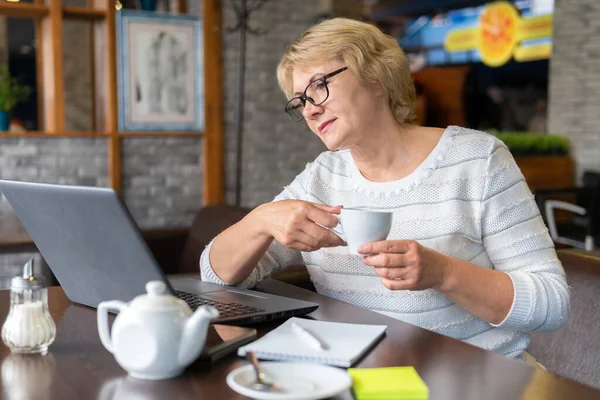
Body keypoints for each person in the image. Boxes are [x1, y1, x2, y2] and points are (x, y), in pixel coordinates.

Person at [200, 18, 569, 362]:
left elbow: (551, 303)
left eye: (319, 86)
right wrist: (260, 221)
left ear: (376, 78)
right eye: (301, 100)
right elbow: (216, 277)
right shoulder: (321, 178)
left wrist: (444, 274)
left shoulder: (477, 159)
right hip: (363, 376)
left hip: (477, 377)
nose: (310, 110)